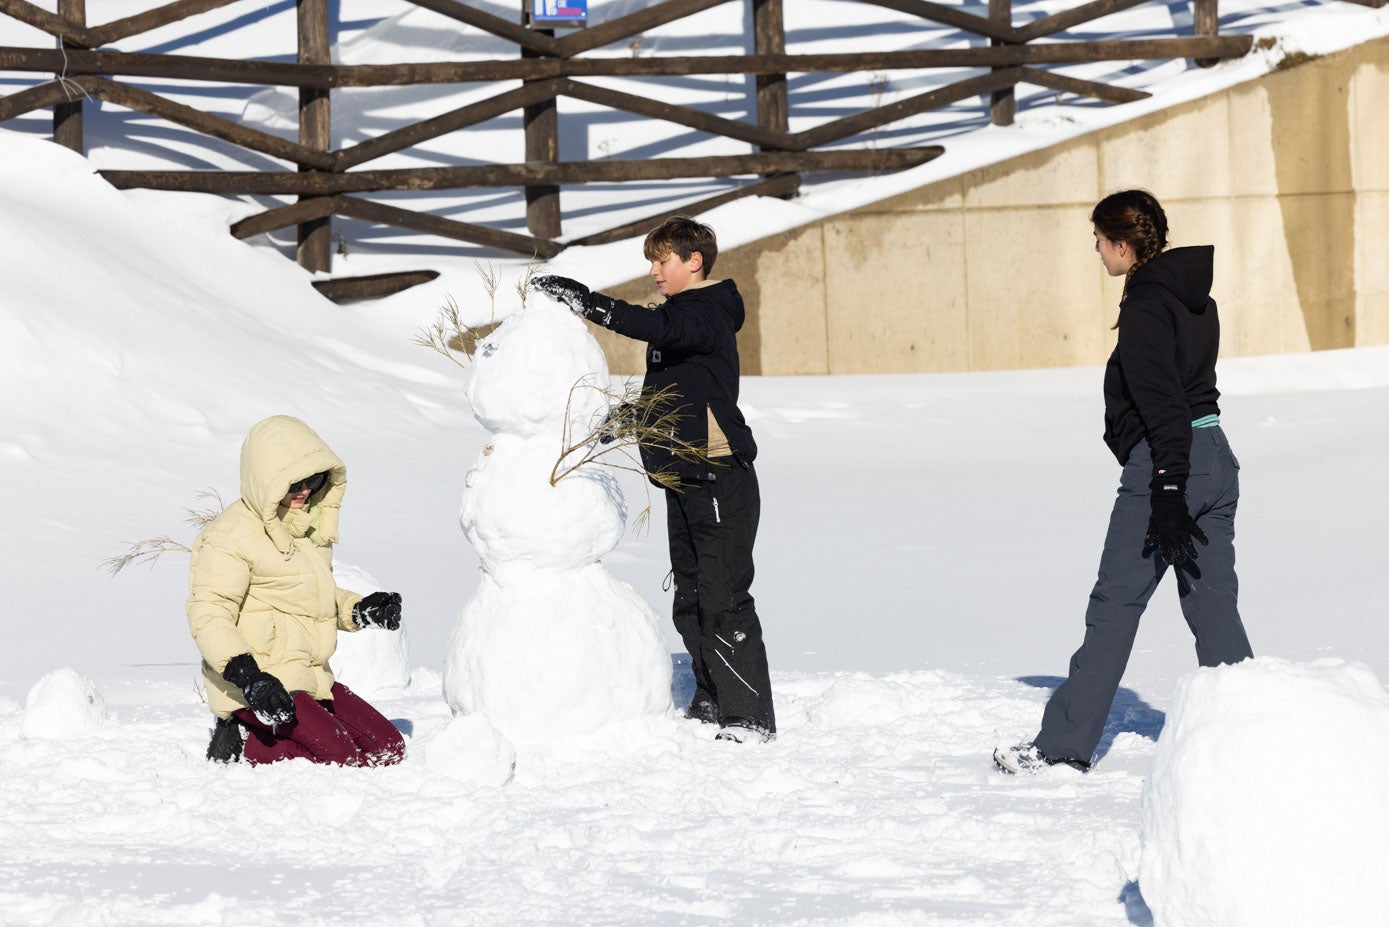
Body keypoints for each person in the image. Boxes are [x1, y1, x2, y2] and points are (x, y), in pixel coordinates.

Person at [994, 190, 1254, 774]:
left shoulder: (1143, 305)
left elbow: (1161, 401)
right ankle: (1249, 741)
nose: (1094, 250)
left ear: (1122, 243)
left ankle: (1060, 748)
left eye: (1098, 240)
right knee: (1215, 611)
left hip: (1171, 463)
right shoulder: (1195, 297)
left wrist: (1165, 486)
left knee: (1115, 605)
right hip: (1213, 454)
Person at [532, 216, 777, 744]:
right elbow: (671, 393)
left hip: (718, 475)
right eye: (651, 260)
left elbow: (658, 328)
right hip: (684, 476)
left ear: (695, 261)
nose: (653, 271)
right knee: (689, 598)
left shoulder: (708, 311)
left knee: (723, 597)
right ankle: (712, 700)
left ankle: (749, 718)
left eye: (662, 260)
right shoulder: (682, 318)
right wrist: (618, 424)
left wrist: (587, 301)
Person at [187, 414, 407, 766]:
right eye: (292, 483)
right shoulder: (230, 537)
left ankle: (274, 732)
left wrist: (360, 609)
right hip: (257, 684)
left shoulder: (305, 529)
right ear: (267, 481)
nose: (305, 490)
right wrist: (249, 677)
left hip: (308, 674)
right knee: (340, 756)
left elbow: (312, 597)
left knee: (389, 748)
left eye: (314, 479)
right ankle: (245, 735)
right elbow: (209, 613)